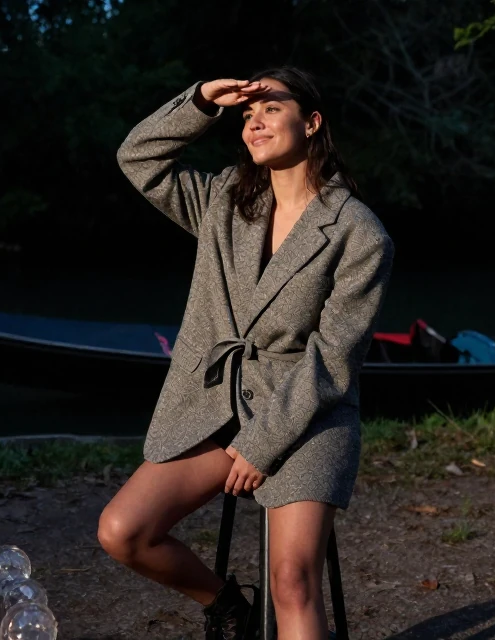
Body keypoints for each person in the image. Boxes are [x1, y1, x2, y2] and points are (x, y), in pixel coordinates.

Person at [98, 66, 394, 640]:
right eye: (248, 114)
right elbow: (138, 156)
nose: (254, 122)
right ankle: (231, 608)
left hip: (309, 418)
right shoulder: (224, 201)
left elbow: (333, 359)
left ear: (312, 123)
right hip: (218, 406)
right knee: (122, 531)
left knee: (292, 582)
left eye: (271, 109)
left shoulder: (360, 234)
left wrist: (261, 445)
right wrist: (203, 101)